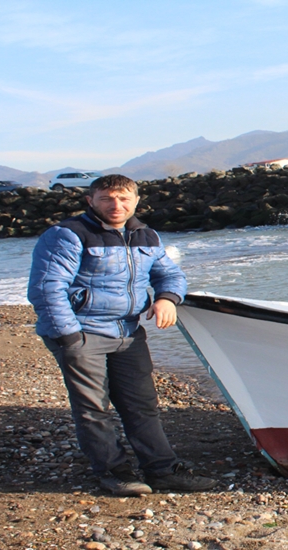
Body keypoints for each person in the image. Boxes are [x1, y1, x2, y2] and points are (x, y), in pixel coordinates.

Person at [28, 174, 217, 496]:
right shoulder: (68, 235)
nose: (117, 206)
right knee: (93, 408)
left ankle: (162, 471)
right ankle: (114, 473)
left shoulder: (145, 236)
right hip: (81, 333)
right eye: (107, 199)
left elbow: (169, 273)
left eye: (124, 199)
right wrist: (70, 337)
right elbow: (47, 289)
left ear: (136, 201)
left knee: (141, 405)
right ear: (91, 201)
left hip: (128, 332)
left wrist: (167, 299)